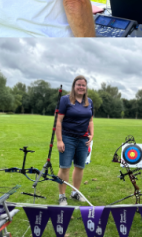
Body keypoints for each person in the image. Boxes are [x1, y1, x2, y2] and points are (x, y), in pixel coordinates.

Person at [55, 75, 94, 206]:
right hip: (68, 138)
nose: (81, 87)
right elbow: (58, 121)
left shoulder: (89, 102)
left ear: (86, 87)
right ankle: (62, 196)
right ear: (74, 86)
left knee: (79, 167)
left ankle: (75, 192)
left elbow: (90, 120)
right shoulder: (65, 100)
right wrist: (59, 140)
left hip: (83, 140)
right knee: (65, 167)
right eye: (79, 85)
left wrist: (92, 134)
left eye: (83, 85)